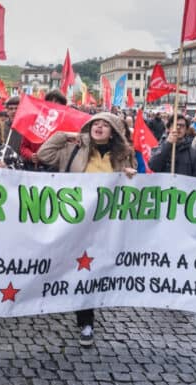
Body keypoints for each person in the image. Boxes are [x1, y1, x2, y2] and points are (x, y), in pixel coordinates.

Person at [37, 112, 137, 348]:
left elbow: (133, 184)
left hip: (105, 222)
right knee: (72, 265)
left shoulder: (123, 156)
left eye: (105, 125)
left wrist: (130, 175)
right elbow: (44, 154)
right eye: (95, 124)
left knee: (90, 269)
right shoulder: (74, 150)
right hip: (74, 221)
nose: (99, 127)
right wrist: (66, 134)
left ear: (113, 131)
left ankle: (86, 320)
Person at [20, 90, 67, 170]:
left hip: (56, 170)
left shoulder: (65, 126)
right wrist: (30, 155)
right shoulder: (34, 122)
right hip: (34, 169)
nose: (53, 104)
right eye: (50, 102)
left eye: (57, 103)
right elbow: (23, 147)